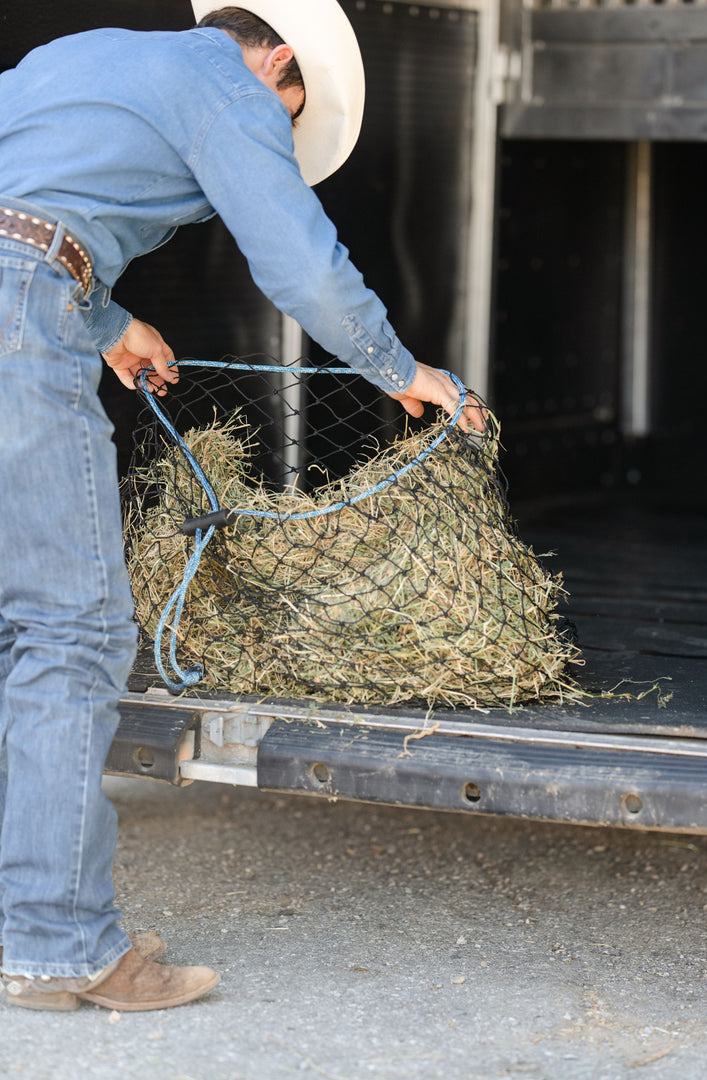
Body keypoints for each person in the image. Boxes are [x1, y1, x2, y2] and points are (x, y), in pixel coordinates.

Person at [0, 0, 484, 1013]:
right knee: (71, 631)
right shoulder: (230, 86)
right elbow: (301, 262)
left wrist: (109, 321)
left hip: (34, 285)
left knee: (26, 627)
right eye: (290, 117)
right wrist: (403, 369)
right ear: (277, 61)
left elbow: (29, 203)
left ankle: (36, 923)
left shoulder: (74, 58)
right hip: (19, 307)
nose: (279, 136)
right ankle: (55, 947)